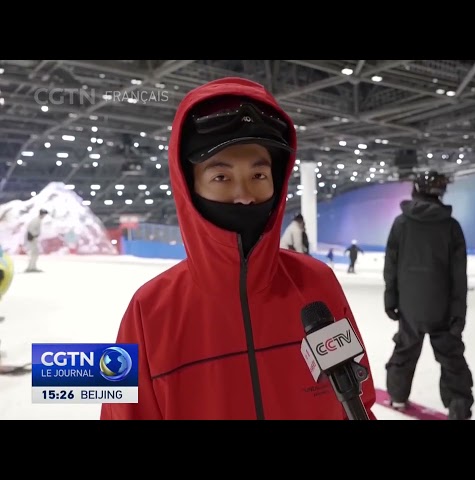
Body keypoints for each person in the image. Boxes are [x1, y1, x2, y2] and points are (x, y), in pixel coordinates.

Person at [100, 77, 377, 420]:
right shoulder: (148, 311)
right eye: (221, 177)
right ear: (190, 186)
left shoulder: (318, 285)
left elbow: (359, 403)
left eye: (259, 176)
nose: (244, 195)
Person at [383, 170, 473, 420]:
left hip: (410, 304)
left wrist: (391, 298)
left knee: (405, 349)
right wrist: (458, 313)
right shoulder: (451, 227)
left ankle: (398, 396)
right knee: (450, 356)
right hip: (442, 306)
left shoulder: (401, 223)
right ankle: (458, 404)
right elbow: (459, 276)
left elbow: (391, 264)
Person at [25, 208, 47, 272]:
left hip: (34, 239)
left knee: (34, 253)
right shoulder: (36, 220)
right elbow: (31, 230)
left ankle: (32, 267)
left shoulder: (38, 220)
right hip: (32, 239)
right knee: (33, 253)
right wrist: (35, 235)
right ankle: (31, 267)